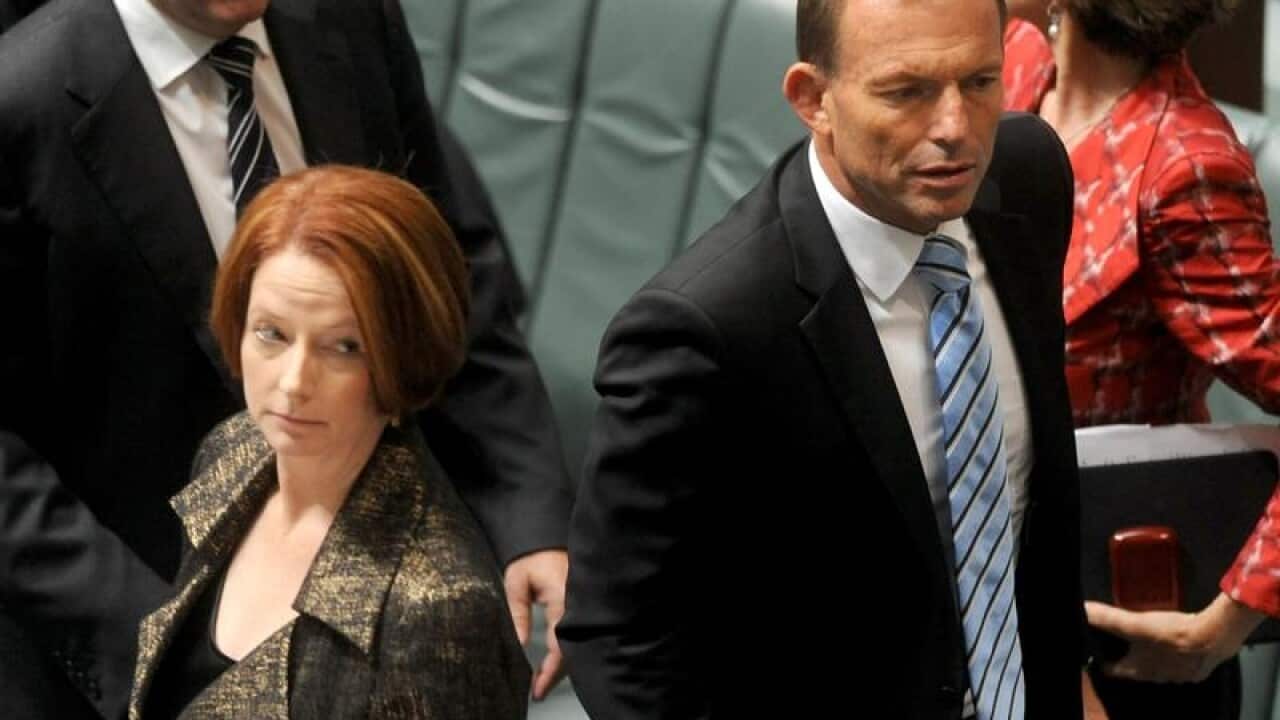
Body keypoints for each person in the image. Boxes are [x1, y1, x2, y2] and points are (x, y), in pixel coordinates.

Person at [0, 0, 570, 717]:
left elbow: (444, 274)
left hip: (368, 581)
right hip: (115, 610)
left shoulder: (352, 17)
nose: (292, 384)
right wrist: (163, 647)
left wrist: (528, 511)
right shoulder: (17, 101)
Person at [557, 0, 1091, 717]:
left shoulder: (1027, 179)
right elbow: (620, 637)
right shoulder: (704, 329)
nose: (955, 129)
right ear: (813, 99)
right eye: (907, 92)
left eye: (980, 81)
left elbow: (1028, 510)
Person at [126, 165, 529, 719]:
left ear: (404, 355)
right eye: (272, 333)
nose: (293, 384)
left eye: (343, 348)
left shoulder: (439, 607)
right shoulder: (232, 450)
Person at [1002, 2, 1278, 716]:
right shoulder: (1015, 66)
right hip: (994, 601)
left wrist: (1220, 628)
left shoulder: (1187, 170)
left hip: (1124, 642)